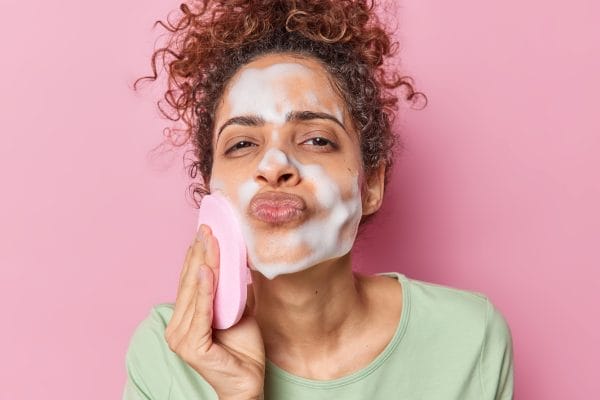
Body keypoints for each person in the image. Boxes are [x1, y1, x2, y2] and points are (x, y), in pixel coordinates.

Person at [123, 1, 514, 399]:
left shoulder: (468, 338)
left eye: (316, 139)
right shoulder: (168, 352)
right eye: (242, 143)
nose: (274, 165)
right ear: (211, 189)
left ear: (371, 184)